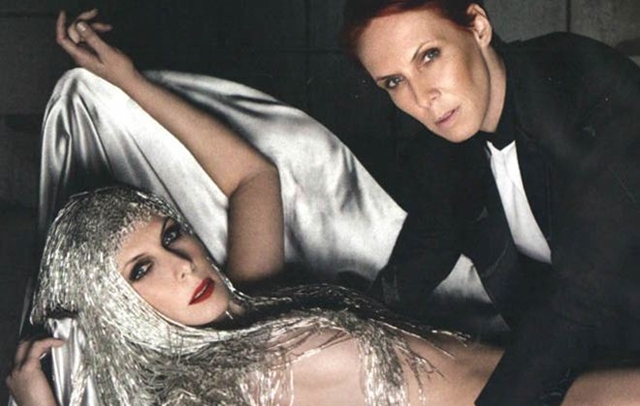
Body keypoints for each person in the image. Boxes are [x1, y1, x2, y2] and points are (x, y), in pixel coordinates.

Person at [8, 185, 640, 406]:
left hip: (554, 369)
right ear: (114, 310)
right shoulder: (204, 393)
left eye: (172, 234)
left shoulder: (252, 303)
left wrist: (124, 78)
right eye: (142, 270)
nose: (181, 264)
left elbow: (252, 177)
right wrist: (37, 400)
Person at [340, 0, 640, 404]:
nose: (422, 97)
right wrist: (338, 326)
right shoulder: (444, 142)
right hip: (598, 347)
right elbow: (427, 246)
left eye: (429, 56)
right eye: (394, 82)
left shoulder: (582, 87)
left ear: (478, 27)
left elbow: (583, 296)